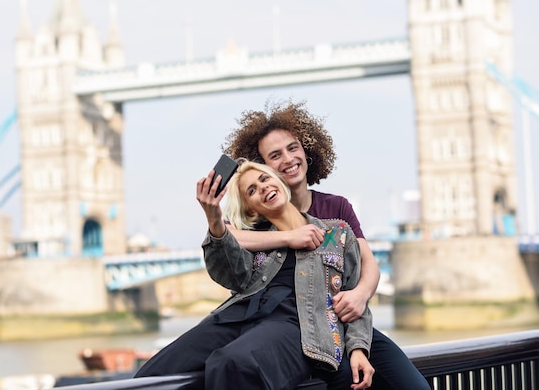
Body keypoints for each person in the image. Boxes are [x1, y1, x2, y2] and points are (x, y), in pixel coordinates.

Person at [222, 100, 430, 390]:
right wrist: (288, 237)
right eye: (275, 155)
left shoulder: (336, 207)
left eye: (293, 148)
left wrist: (359, 295)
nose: (288, 159)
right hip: (295, 332)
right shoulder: (258, 217)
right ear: (262, 167)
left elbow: (367, 264)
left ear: (307, 151)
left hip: (345, 323)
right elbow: (226, 237)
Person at [135, 160, 375, 389]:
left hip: (297, 324)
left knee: (233, 364)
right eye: (252, 190)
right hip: (238, 316)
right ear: (250, 209)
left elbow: (355, 297)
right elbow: (229, 274)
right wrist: (214, 218)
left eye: (264, 179)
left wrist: (358, 350)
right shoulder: (252, 239)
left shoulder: (337, 233)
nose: (263, 187)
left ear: (279, 182)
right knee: (150, 377)